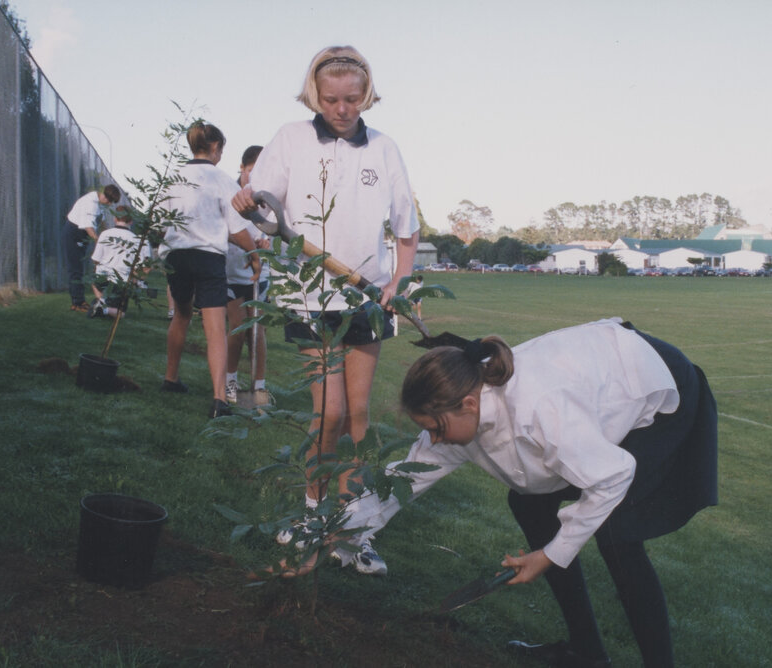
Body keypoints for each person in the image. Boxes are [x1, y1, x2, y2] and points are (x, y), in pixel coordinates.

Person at [342, 318, 718, 667]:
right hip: (595, 382)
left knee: (617, 532)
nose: (433, 440)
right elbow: (404, 479)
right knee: (529, 503)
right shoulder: (457, 407)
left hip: (657, 385)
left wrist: (551, 555)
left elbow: (613, 475)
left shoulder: (540, 409)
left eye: (436, 429)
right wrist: (333, 531)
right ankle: (586, 652)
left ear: (469, 404)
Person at [231, 45, 420, 573]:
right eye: (331, 99)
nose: (342, 109)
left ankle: (351, 529)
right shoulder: (291, 138)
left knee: (358, 416)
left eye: (353, 99)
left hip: (366, 297)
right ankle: (315, 515)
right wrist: (248, 200)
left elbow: (408, 233)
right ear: (316, 94)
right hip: (310, 294)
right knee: (327, 413)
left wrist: (396, 285)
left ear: (367, 95)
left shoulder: (384, 149)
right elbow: (259, 202)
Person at [160, 121, 259, 419]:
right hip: (208, 258)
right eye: (221, 150)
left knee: (182, 314)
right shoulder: (220, 180)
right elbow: (238, 229)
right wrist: (254, 253)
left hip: (175, 255)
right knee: (215, 327)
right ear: (215, 147)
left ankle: (171, 378)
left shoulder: (172, 177)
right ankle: (220, 400)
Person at [225, 145, 272, 404]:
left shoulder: (265, 198)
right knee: (237, 327)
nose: (253, 179)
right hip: (232, 274)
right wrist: (248, 247)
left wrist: (264, 245)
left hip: (259, 277)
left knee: (258, 331)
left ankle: (259, 389)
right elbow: (227, 231)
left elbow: (270, 233)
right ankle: (230, 382)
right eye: (250, 172)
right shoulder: (229, 194)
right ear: (241, 168)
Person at [65, 184, 121, 311]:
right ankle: (77, 303)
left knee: (79, 268)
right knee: (76, 269)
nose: (109, 203)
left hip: (82, 235)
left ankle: (80, 300)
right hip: (74, 233)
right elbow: (88, 226)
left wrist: (108, 236)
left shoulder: (100, 203)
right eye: (109, 200)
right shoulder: (91, 203)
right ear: (105, 196)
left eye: (111, 202)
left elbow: (102, 222)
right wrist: (99, 242)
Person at [88, 205, 149, 319]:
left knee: (94, 279)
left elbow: (96, 259)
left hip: (102, 277)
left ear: (115, 219)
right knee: (120, 313)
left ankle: (100, 302)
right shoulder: (136, 239)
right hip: (121, 280)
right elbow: (139, 268)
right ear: (131, 221)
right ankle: (104, 309)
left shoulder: (105, 234)